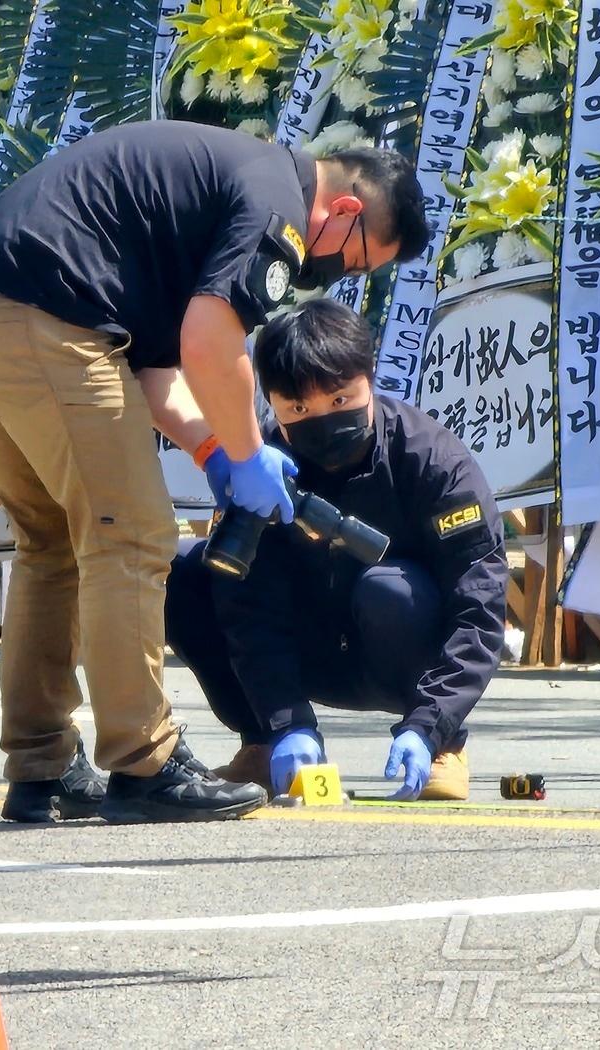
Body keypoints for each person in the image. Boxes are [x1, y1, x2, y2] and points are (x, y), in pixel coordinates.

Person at [0, 121, 430, 823]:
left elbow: (159, 368)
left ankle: (42, 766)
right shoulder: (276, 203)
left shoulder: (224, 184)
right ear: (345, 212)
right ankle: (147, 764)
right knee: (132, 539)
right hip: (50, 325)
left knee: (52, 547)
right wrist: (249, 450)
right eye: (357, 262)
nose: (345, 276)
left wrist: (212, 449)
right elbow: (211, 339)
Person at [165, 299, 508, 801]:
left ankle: (440, 747)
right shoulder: (259, 465)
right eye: (298, 409)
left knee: (390, 589)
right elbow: (246, 608)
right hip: (308, 645)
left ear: (371, 377)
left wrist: (431, 721)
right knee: (186, 571)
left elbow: (478, 607)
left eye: (341, 399)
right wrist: (287, 721)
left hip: (397, 648)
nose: (322, 419)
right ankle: (264, 743)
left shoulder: (433, 461)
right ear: (269, 399)